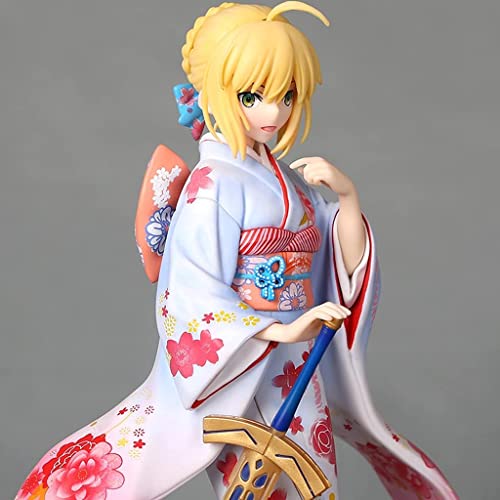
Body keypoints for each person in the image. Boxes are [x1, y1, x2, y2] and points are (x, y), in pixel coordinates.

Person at [16, 2, 458, 499]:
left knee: (317, 482)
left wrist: (348, 196)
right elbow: (193, 293)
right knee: (260, 486)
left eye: (287, 96)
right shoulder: (213, 185)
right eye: (253, 96)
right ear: (217, 94)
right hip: (239, 365)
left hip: (296, 361)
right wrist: (280, 328)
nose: (274, 113)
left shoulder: (292, 183)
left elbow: (341, 259)